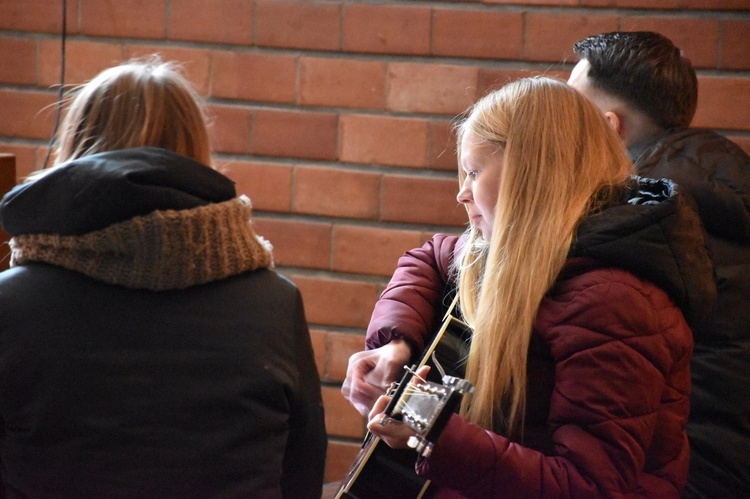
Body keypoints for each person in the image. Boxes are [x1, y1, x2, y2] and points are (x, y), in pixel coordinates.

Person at [344, 76, 715, 497]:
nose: (461, 194)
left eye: (473, 172)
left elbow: (588, 487)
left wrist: (434, 431)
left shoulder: (615, 303)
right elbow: (429, 257)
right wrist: (394, 344)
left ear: (531, 175)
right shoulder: (517, 254)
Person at [0, 57, 326, 498]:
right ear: (197, 156)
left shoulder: (11, 304)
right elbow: (301, 475)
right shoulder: (275, 304)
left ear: (74, 149)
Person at [568, 31, 750, 498]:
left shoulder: (639, 216)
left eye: (571, 113)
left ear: (608, 127)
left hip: (687, 468)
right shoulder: (726, 179)